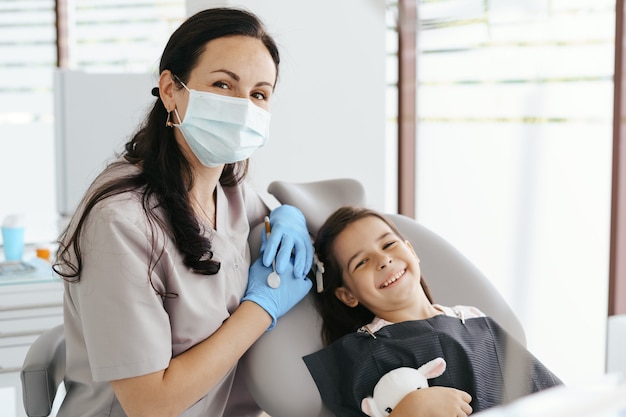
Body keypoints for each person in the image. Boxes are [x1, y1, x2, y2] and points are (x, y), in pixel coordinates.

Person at [52, 8, 313, 417]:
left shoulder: (230, 189)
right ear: (171, 89)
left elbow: (266, 219)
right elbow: (149, 403)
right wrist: (262, 308)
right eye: (223, 84)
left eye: (259, 94)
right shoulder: (120, 222)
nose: (243, 107)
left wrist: (289, 217)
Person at [303, 206, 562, 417]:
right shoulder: (363, 354)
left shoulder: (476, 321)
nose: (383, 260)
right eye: (361, 262)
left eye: (388, 245)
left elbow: (553, 398)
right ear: (348, 295)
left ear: (411, 251)